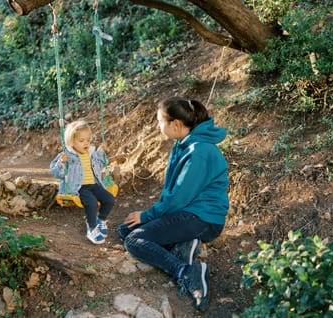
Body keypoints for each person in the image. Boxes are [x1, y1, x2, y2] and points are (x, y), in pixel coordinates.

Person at [118, 97, 229, 312]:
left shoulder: (199, 152)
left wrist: (148, 215)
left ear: (176, 124)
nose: (158, 126)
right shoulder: (184, 144)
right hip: (188, 213)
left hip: (203, 219)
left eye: (160, 122)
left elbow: (178, 198)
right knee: (126, 229)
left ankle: (187, 272)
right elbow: (175, 195)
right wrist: (153, 216)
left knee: (133, 240)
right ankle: (184, 245)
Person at [50, 120, 116, 245]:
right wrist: (61, 163)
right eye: (81, 141)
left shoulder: (91, 153)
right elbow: (56, 173)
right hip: (79, 187)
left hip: (94, 185)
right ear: (71, 142)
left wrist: (101, 153)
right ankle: (91, 228)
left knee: (110, 199)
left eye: (88, 140)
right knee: (91, 202)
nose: (86, 143)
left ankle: (100, 220)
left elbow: (101, 165)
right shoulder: (67, 155)